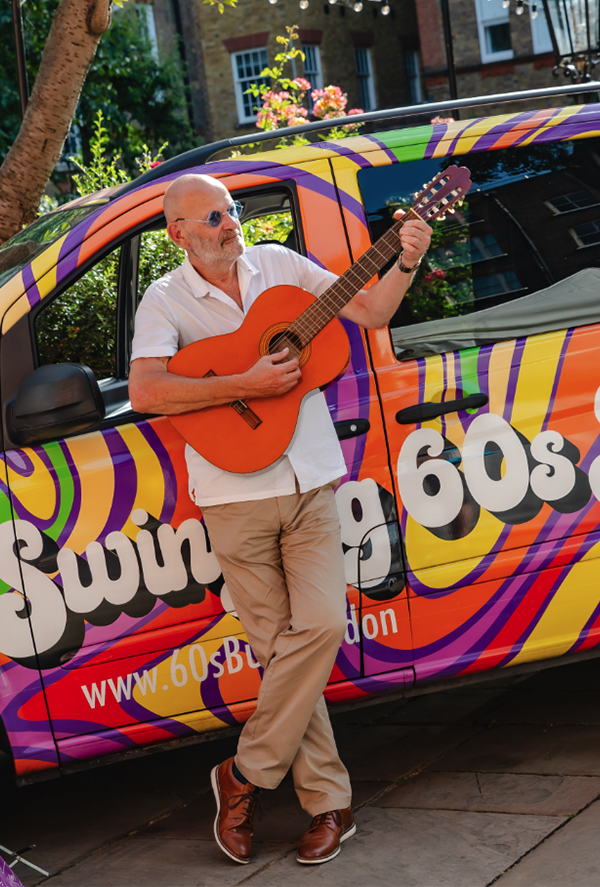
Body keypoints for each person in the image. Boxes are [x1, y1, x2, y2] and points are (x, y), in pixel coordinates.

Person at [129, 173, 432, 866]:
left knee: (320, 628)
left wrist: (407, 256)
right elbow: (146, 390)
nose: (228, 222)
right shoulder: (166, 299)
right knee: (281, 660)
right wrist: (246, 385)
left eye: (231, 210)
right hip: (232, 496)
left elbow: (374, 313)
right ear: (178, 232)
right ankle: (330, 806)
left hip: (309, 481)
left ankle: (244, 775)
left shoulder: (282, 266)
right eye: (211, 216)